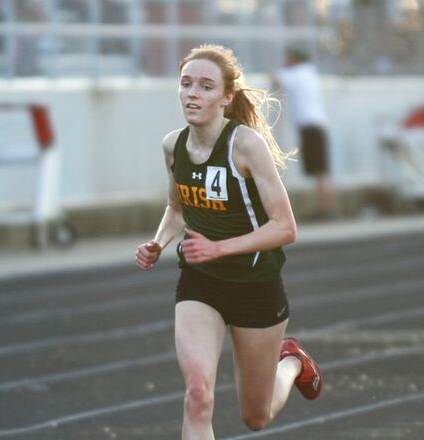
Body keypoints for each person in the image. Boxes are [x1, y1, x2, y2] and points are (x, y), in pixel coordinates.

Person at [135, 44, 323, 438]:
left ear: (226, 97)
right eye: (186, 84)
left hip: (255, 286)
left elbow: (285, 228)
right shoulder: (173, 146)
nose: (192, 94)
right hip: (200, 283)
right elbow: (177, 208)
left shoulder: (245, 145)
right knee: (197, 394)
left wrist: (219, 247)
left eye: (206, 87)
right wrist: (158, 243)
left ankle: (291, 362)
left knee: (255, 416)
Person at [273, 46, 335, 220]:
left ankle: (325, 209)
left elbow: (276, 78)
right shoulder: (309, 73)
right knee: (319, 170)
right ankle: (324, 208)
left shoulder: (298, 74)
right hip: (314, 126)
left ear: (295, 59)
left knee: (320, 170)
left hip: (311, 127)